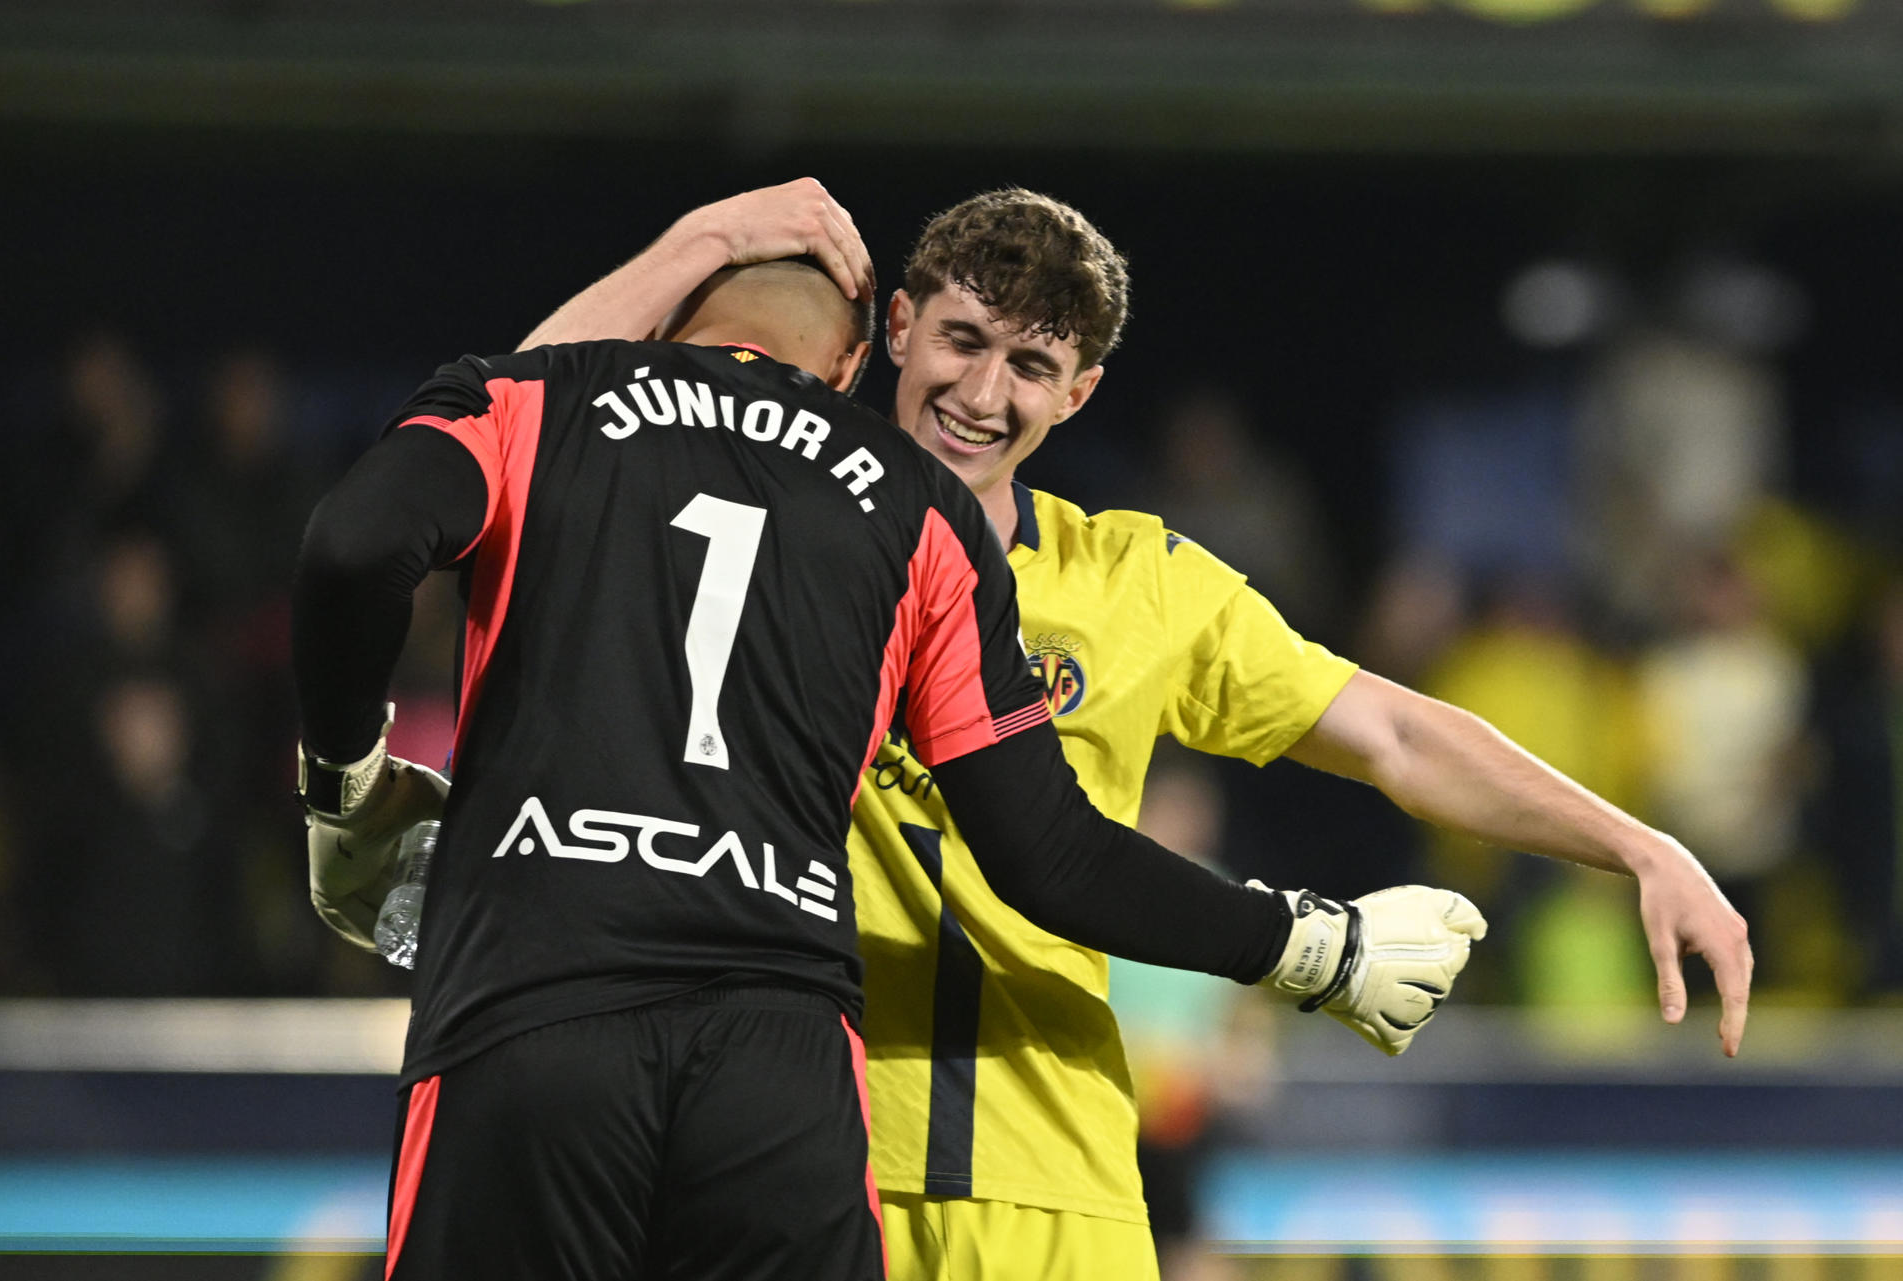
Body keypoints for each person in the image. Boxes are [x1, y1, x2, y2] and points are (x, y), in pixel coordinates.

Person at [521, 179, 1756, 1281]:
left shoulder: (1135, 583)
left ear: (1082, 392)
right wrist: (709, 239)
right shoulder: (746, 515)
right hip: (790, 1159)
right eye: (959, 340)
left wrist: (1640, 845)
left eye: (1031, 367)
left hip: (1063, 1185)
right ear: (895, 326)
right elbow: (520, 423)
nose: (981, 394)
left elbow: (1395, 735)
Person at [293, 254, 1486, 1280]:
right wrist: (1309, 945)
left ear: (665, 330)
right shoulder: (919, 511)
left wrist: (347, 782)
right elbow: (1049, 849)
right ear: (859, 361)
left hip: (538, 1003)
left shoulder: (547, 399)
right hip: (782, 1063)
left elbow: (354, 543)